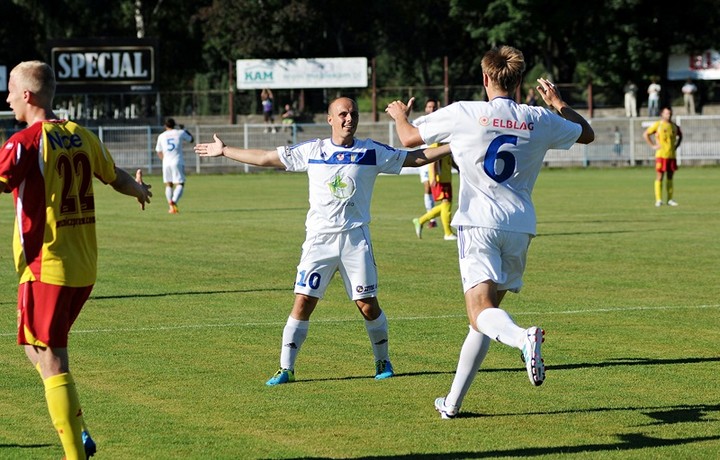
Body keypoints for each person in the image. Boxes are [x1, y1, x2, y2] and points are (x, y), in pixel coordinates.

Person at [386, 45, 594, 419]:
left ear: (485, 78)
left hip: (478, 222)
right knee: (485, 317)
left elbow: (409, 139)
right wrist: (558, 102)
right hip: (519, 225)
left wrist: (400, 114)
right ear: (518, 81)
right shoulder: (538, 118)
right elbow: (587, 133)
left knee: (481, 313)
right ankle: (452, 403)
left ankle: (522, 338)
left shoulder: (467, 112)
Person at [194, 97, 452, 386]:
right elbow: (267, 158)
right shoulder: (313, 151)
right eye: (342, 114)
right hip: (319, 241)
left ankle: (382, 359)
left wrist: (454, 146)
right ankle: (285, 369)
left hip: (356, 240)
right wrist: (225, 150)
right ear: (330, 119)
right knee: (303, 301)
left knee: (367, 304)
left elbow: (412, 158)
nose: (349, 119)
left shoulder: (371, 151)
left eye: (353, 114)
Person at [0, 61, 151, 458]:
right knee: (38, 347)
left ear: (28, 96)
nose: (8, 97)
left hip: (46, 265)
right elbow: (112, 173)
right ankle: (79, 431)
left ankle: (74, 452)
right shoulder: (80, 135)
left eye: (11, 90)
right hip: (83, 266)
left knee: (50, 358)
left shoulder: (25, 142)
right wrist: (137, 188)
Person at [643, 106, 682, 207]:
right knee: (660, 176)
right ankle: (658, 199)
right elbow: (646, 134)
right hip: (661, 155)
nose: (669, 115)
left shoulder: (674, 126)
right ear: (662, 114)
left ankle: (669, 199)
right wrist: (653, 146)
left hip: (671, 155)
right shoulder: (658, 125)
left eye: (670, 113)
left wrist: (676, 145)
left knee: (670, 177)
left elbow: (680, 136)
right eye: (666, 113)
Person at [412, 153, 457, 240]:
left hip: (446, 177)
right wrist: (432, 177)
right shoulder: (437, 142)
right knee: (446, 203)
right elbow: (433, 159)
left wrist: (458, 168)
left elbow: (448, 158)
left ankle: (420, 221)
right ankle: (448, 233)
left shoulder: (445, 142)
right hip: (440, 179)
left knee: (446, 204)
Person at [155, 117, 193, 214]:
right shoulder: (179, 132)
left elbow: (159, 152)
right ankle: (174, 201)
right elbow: (191, 139)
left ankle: (170, 205)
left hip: (166, 162)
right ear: (174, 125)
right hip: (177, 161)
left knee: (168, 184)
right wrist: (184, 129)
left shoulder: (161, 136)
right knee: (180, 183)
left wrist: (165, 159)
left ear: (165, 126)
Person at [416, 98, 440, 228]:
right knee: (428, 186)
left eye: (434, 107)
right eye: (429, 107)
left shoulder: (442, 121)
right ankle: (430, 217)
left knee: (440, 189)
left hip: (439, 159)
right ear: (426, 108)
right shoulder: (421, 121)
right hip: (425, 158)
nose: (431, 109)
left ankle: (442, 216)